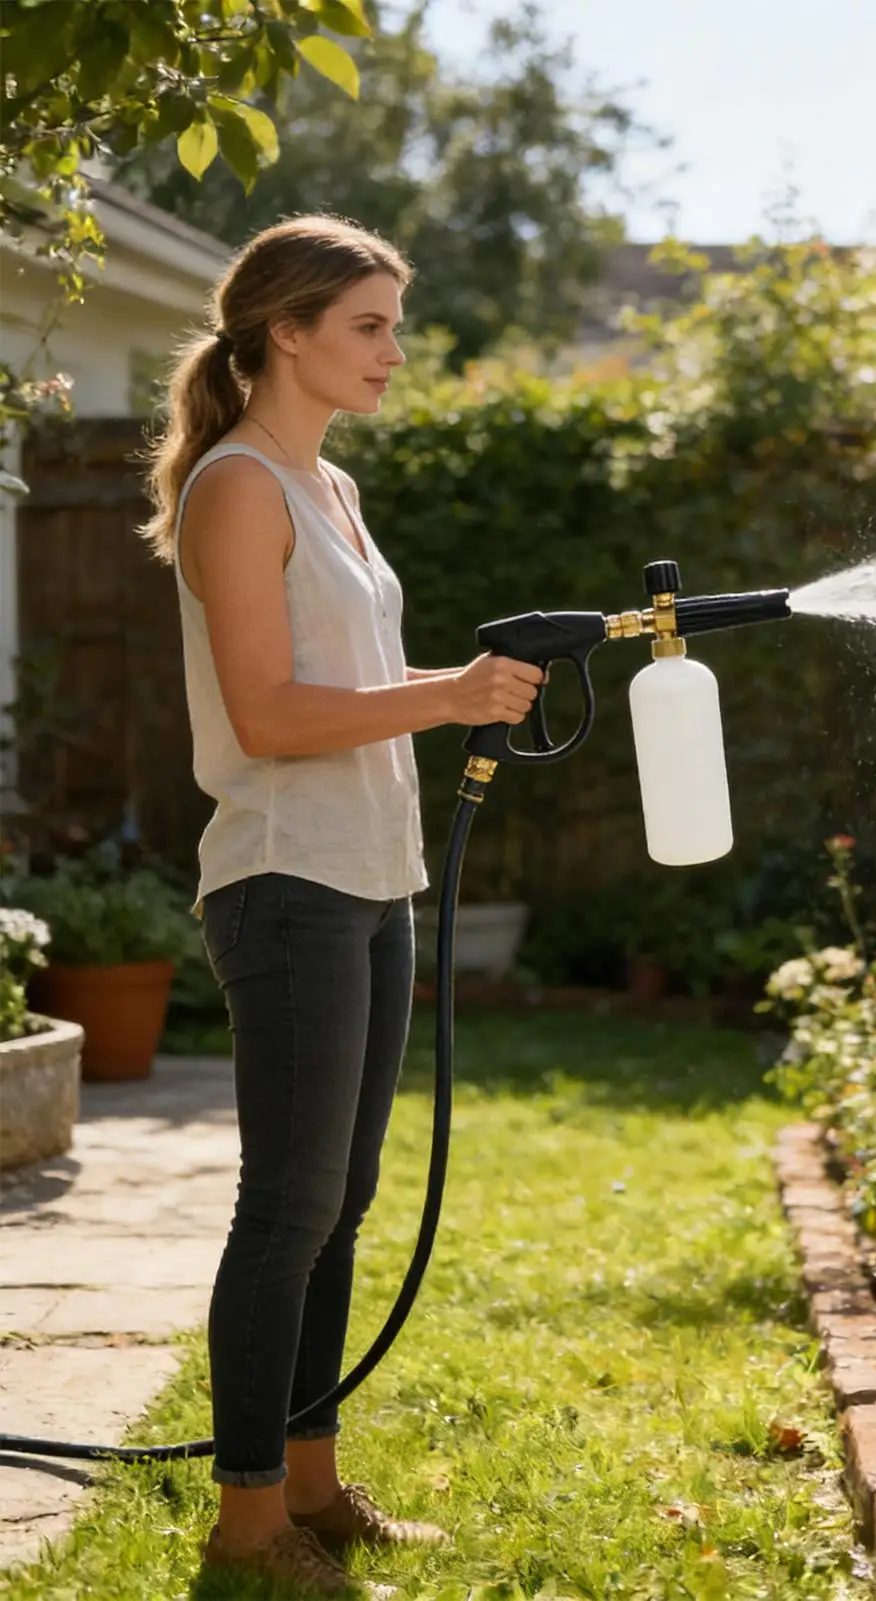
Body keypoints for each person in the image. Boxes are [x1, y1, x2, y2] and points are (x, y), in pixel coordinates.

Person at [138, 214, 546, 1596]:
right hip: (285, 880)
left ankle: (311, 1489)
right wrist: (447, 694)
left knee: (344, 1200)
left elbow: (345, 679)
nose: (392, 349)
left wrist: (450, 691)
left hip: (374, 878)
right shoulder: (239, 487)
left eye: (392, 323)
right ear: (286, 331)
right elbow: (263, 713)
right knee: (287, 1206)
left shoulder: (337, 492)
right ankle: (246, 1521)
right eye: (368, 325)